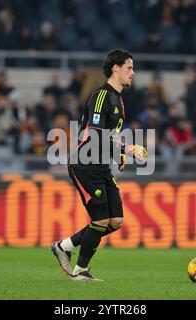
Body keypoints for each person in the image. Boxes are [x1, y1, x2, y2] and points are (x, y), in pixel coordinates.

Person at [51, 49, 147, 281]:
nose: (133, 73)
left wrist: (119, 154)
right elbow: (94, 135)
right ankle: (80, 271)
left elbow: (109, 136)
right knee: (101, 220)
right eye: (129, 67)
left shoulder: (119, 101)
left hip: (101, 165)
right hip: (85, 163)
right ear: (115, 68)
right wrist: (127, 149)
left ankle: (64, 247)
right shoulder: (102, 96)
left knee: (115, 221)